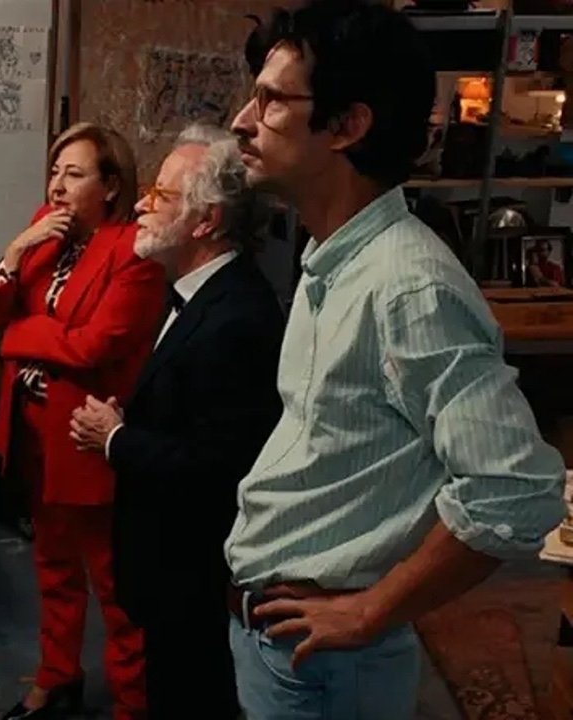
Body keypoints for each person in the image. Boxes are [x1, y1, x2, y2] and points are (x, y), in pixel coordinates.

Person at [224, 1, 568, 717]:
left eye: (272, 100)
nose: (242, 120)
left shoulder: (408, 287)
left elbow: (515, 492)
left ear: (348, 126)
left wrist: (369, 611)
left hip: (326, 661)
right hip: (288, 643)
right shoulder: (332, 259)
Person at [69, 123, 285, 719]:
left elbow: (221, 467)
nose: (142, 205)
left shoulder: (237, 319)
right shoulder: (194, 292)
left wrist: (115, 439)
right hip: (170, 571)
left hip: (196, 577)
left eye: (161, 195)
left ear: (206, 220)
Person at [0, 121, 165, 720]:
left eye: (73, 174)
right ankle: (57, 677)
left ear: (111, 186)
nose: (56, 185)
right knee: (53, 567)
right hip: (32, 428)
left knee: (115, 585)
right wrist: (15, 252)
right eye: (54, 171)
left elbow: (92, 347)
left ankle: (132, 704)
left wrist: (18, 337)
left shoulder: (133, 250)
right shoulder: (45, 230)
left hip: (86, 438)